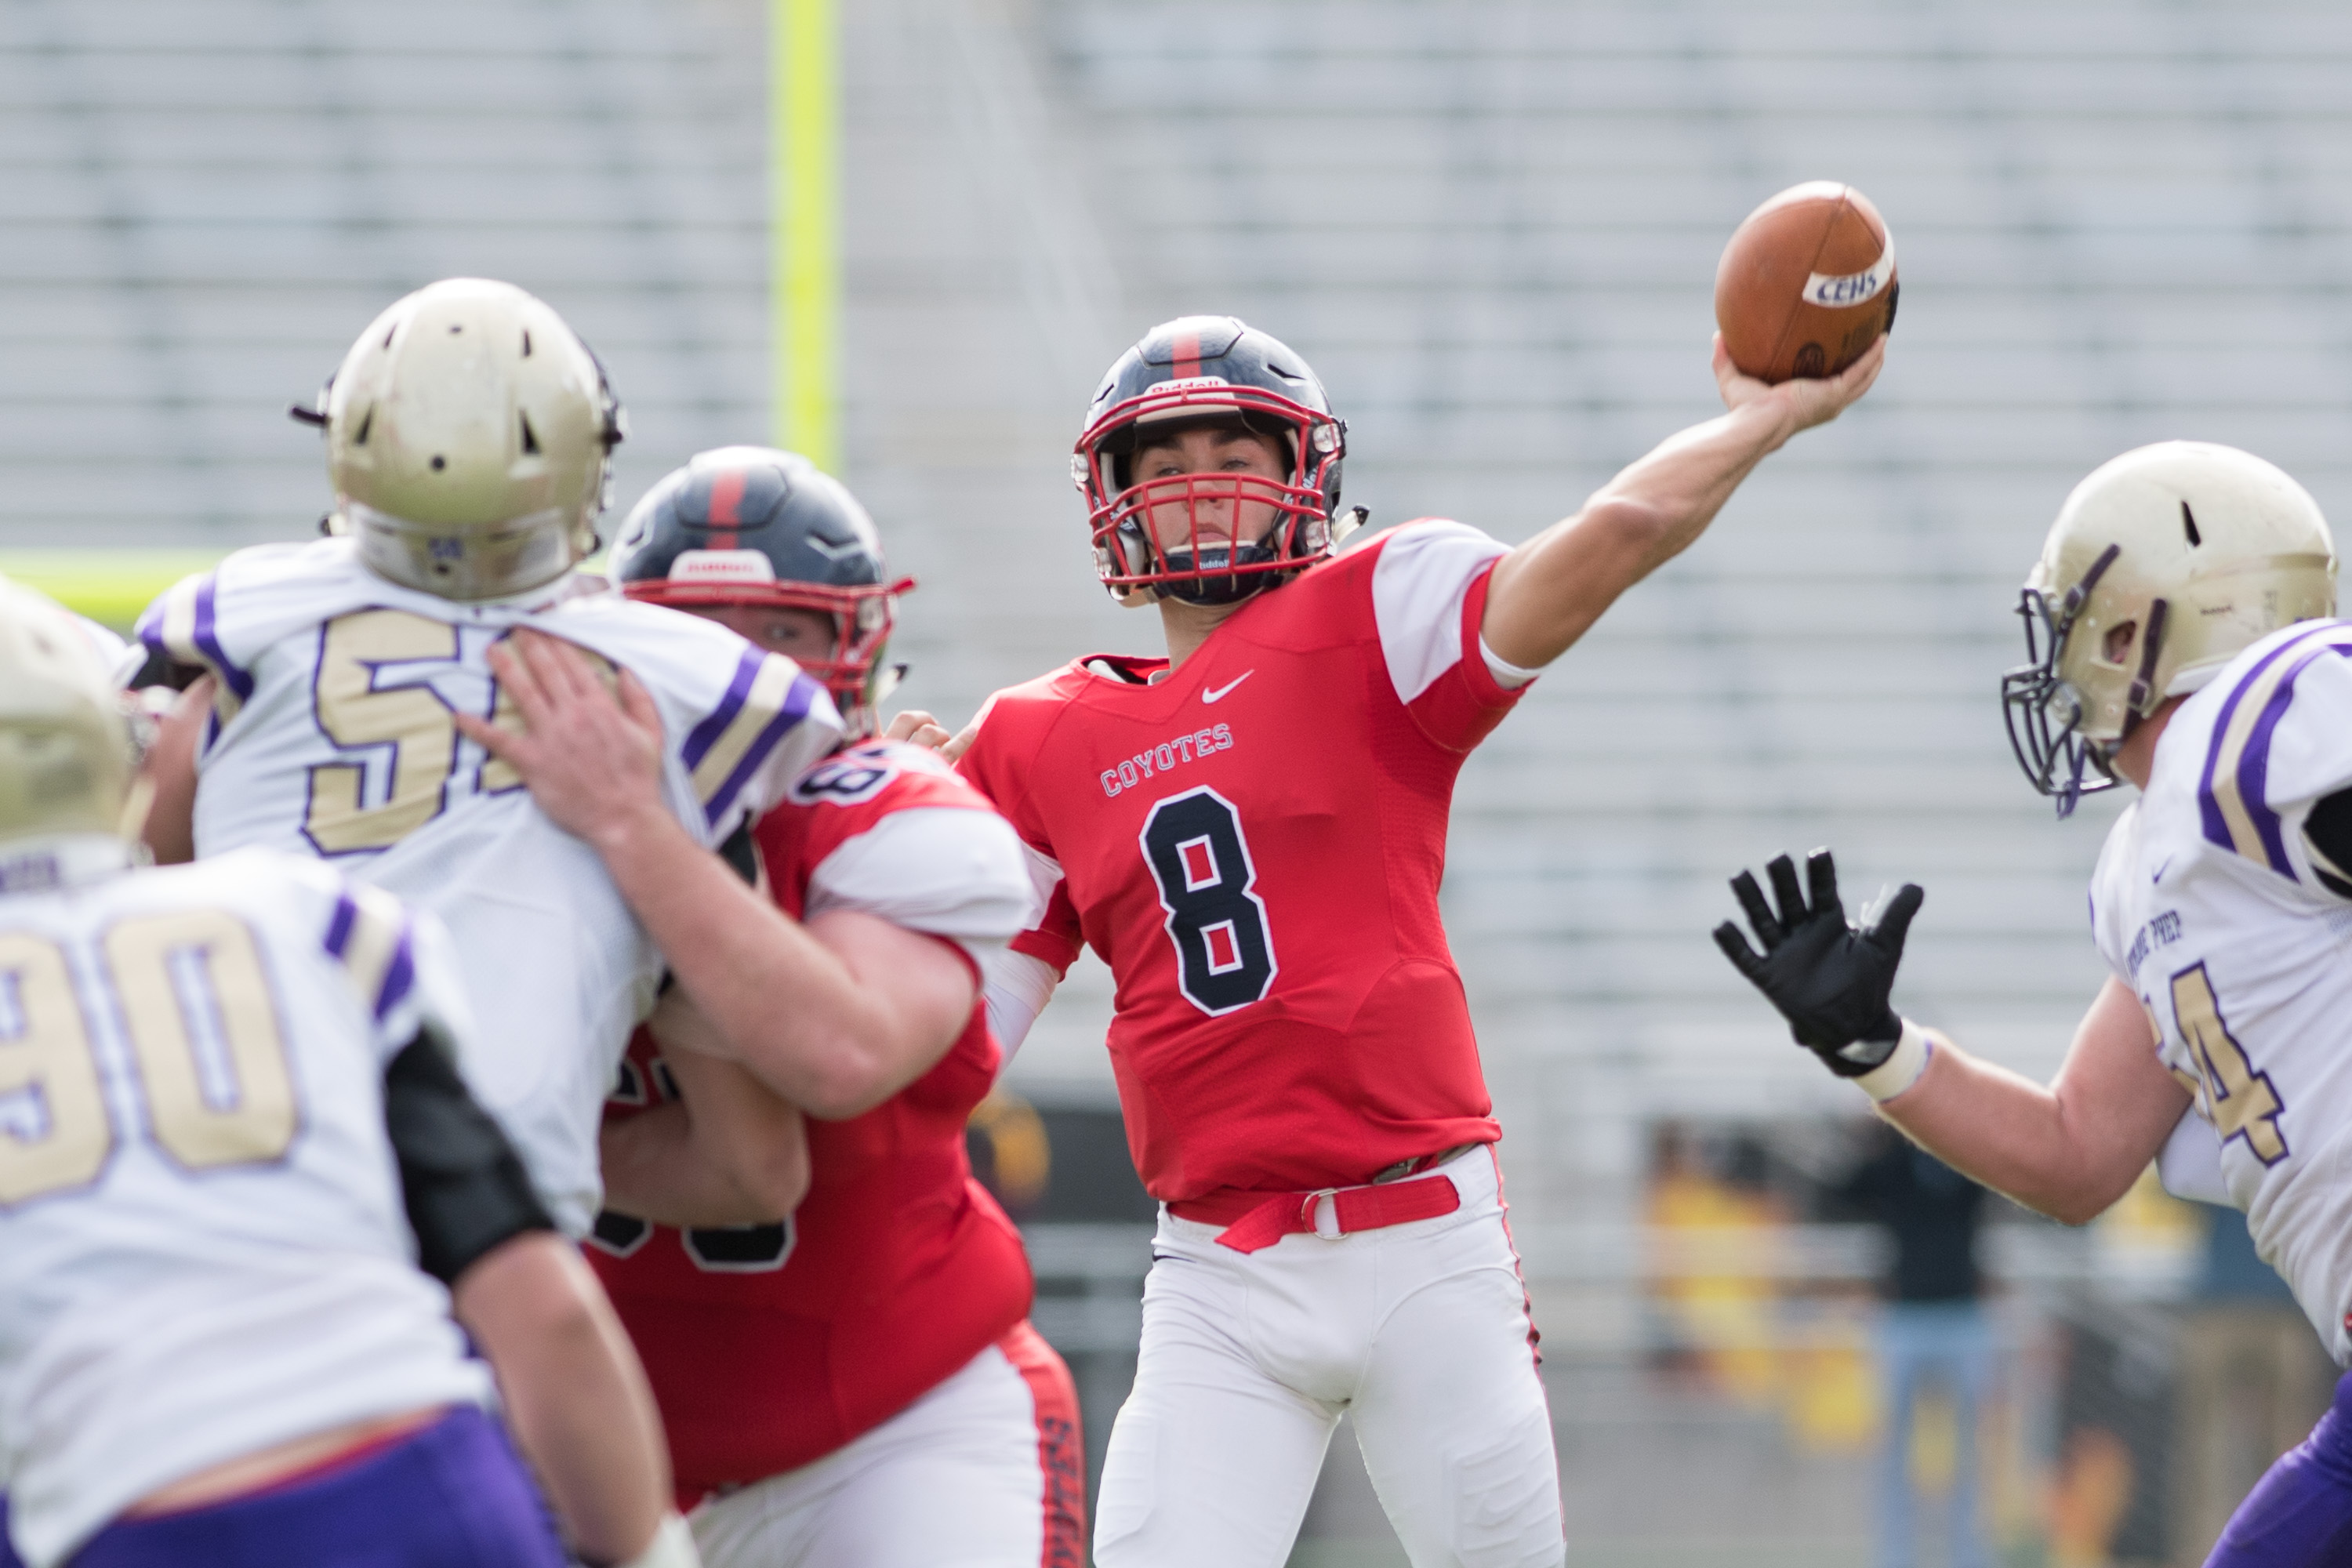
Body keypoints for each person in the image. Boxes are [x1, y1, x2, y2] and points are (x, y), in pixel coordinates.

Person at [942, 314, 1882, 1566]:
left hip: (1425, 1245)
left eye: (1234, 453)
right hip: (1217, 1271)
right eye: (1164, 464)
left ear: (1304, 473)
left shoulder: (1376, 612)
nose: (1201, 487)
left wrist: (1760, 421)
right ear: (1115, 500)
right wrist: (877, 822)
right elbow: (939, 1050)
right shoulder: (1030, 740)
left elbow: (1621, 530)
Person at [1712, 440, 2352, 1567]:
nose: (2060, 663)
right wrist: (1878, 1049)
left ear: (2142, 630)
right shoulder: (2153, 861)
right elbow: (2075, 1152)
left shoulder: (2260, 721)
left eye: (2078, 625)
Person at [463, 447, 1083, 1568]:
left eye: (784, 629)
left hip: (901, 1432)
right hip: (606, 1465)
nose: (738, 665)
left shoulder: (892, 816)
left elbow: (839, 1055)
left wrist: (637, 831)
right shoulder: (512, 818)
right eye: (697, 628)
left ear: (857, 647)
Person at [0, 577, 691, 1568]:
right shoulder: (302, 919)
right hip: (422, 1483)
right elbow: (541, 1304)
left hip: (130, 1520)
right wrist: (636, 1547)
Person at [130, 278, 840, 1239]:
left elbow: (136, 893)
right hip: (484, 1241)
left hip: (220, 1200)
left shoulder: (230, 626)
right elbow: (758, 1161)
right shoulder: (683, 683)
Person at [1831, 1123, 1994, 1568]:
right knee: (1891, 1451)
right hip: (1903, 1320)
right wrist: (1870, 1136)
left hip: (1963, 1318)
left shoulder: (1969, 1163)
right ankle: (1895, 1557)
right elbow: (1841, 1193)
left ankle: (1969, 1555)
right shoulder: (1893, 1164)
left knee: (1971, 1451)